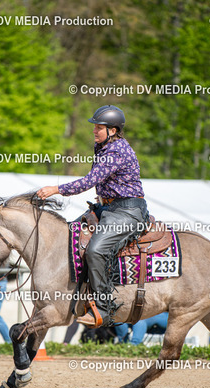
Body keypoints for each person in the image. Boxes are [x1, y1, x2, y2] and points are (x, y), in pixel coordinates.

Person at [37, 105, 148, 327]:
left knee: (96, 250)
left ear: (113, 130)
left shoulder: (116, 151)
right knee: (70, 237)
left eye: (99, 127)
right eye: (95, 127)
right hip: (108, 209)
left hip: (127, 211)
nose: (94, 131)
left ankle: (104, 309)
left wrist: (55, 189)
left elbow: (89, 181)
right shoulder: (103, 147)